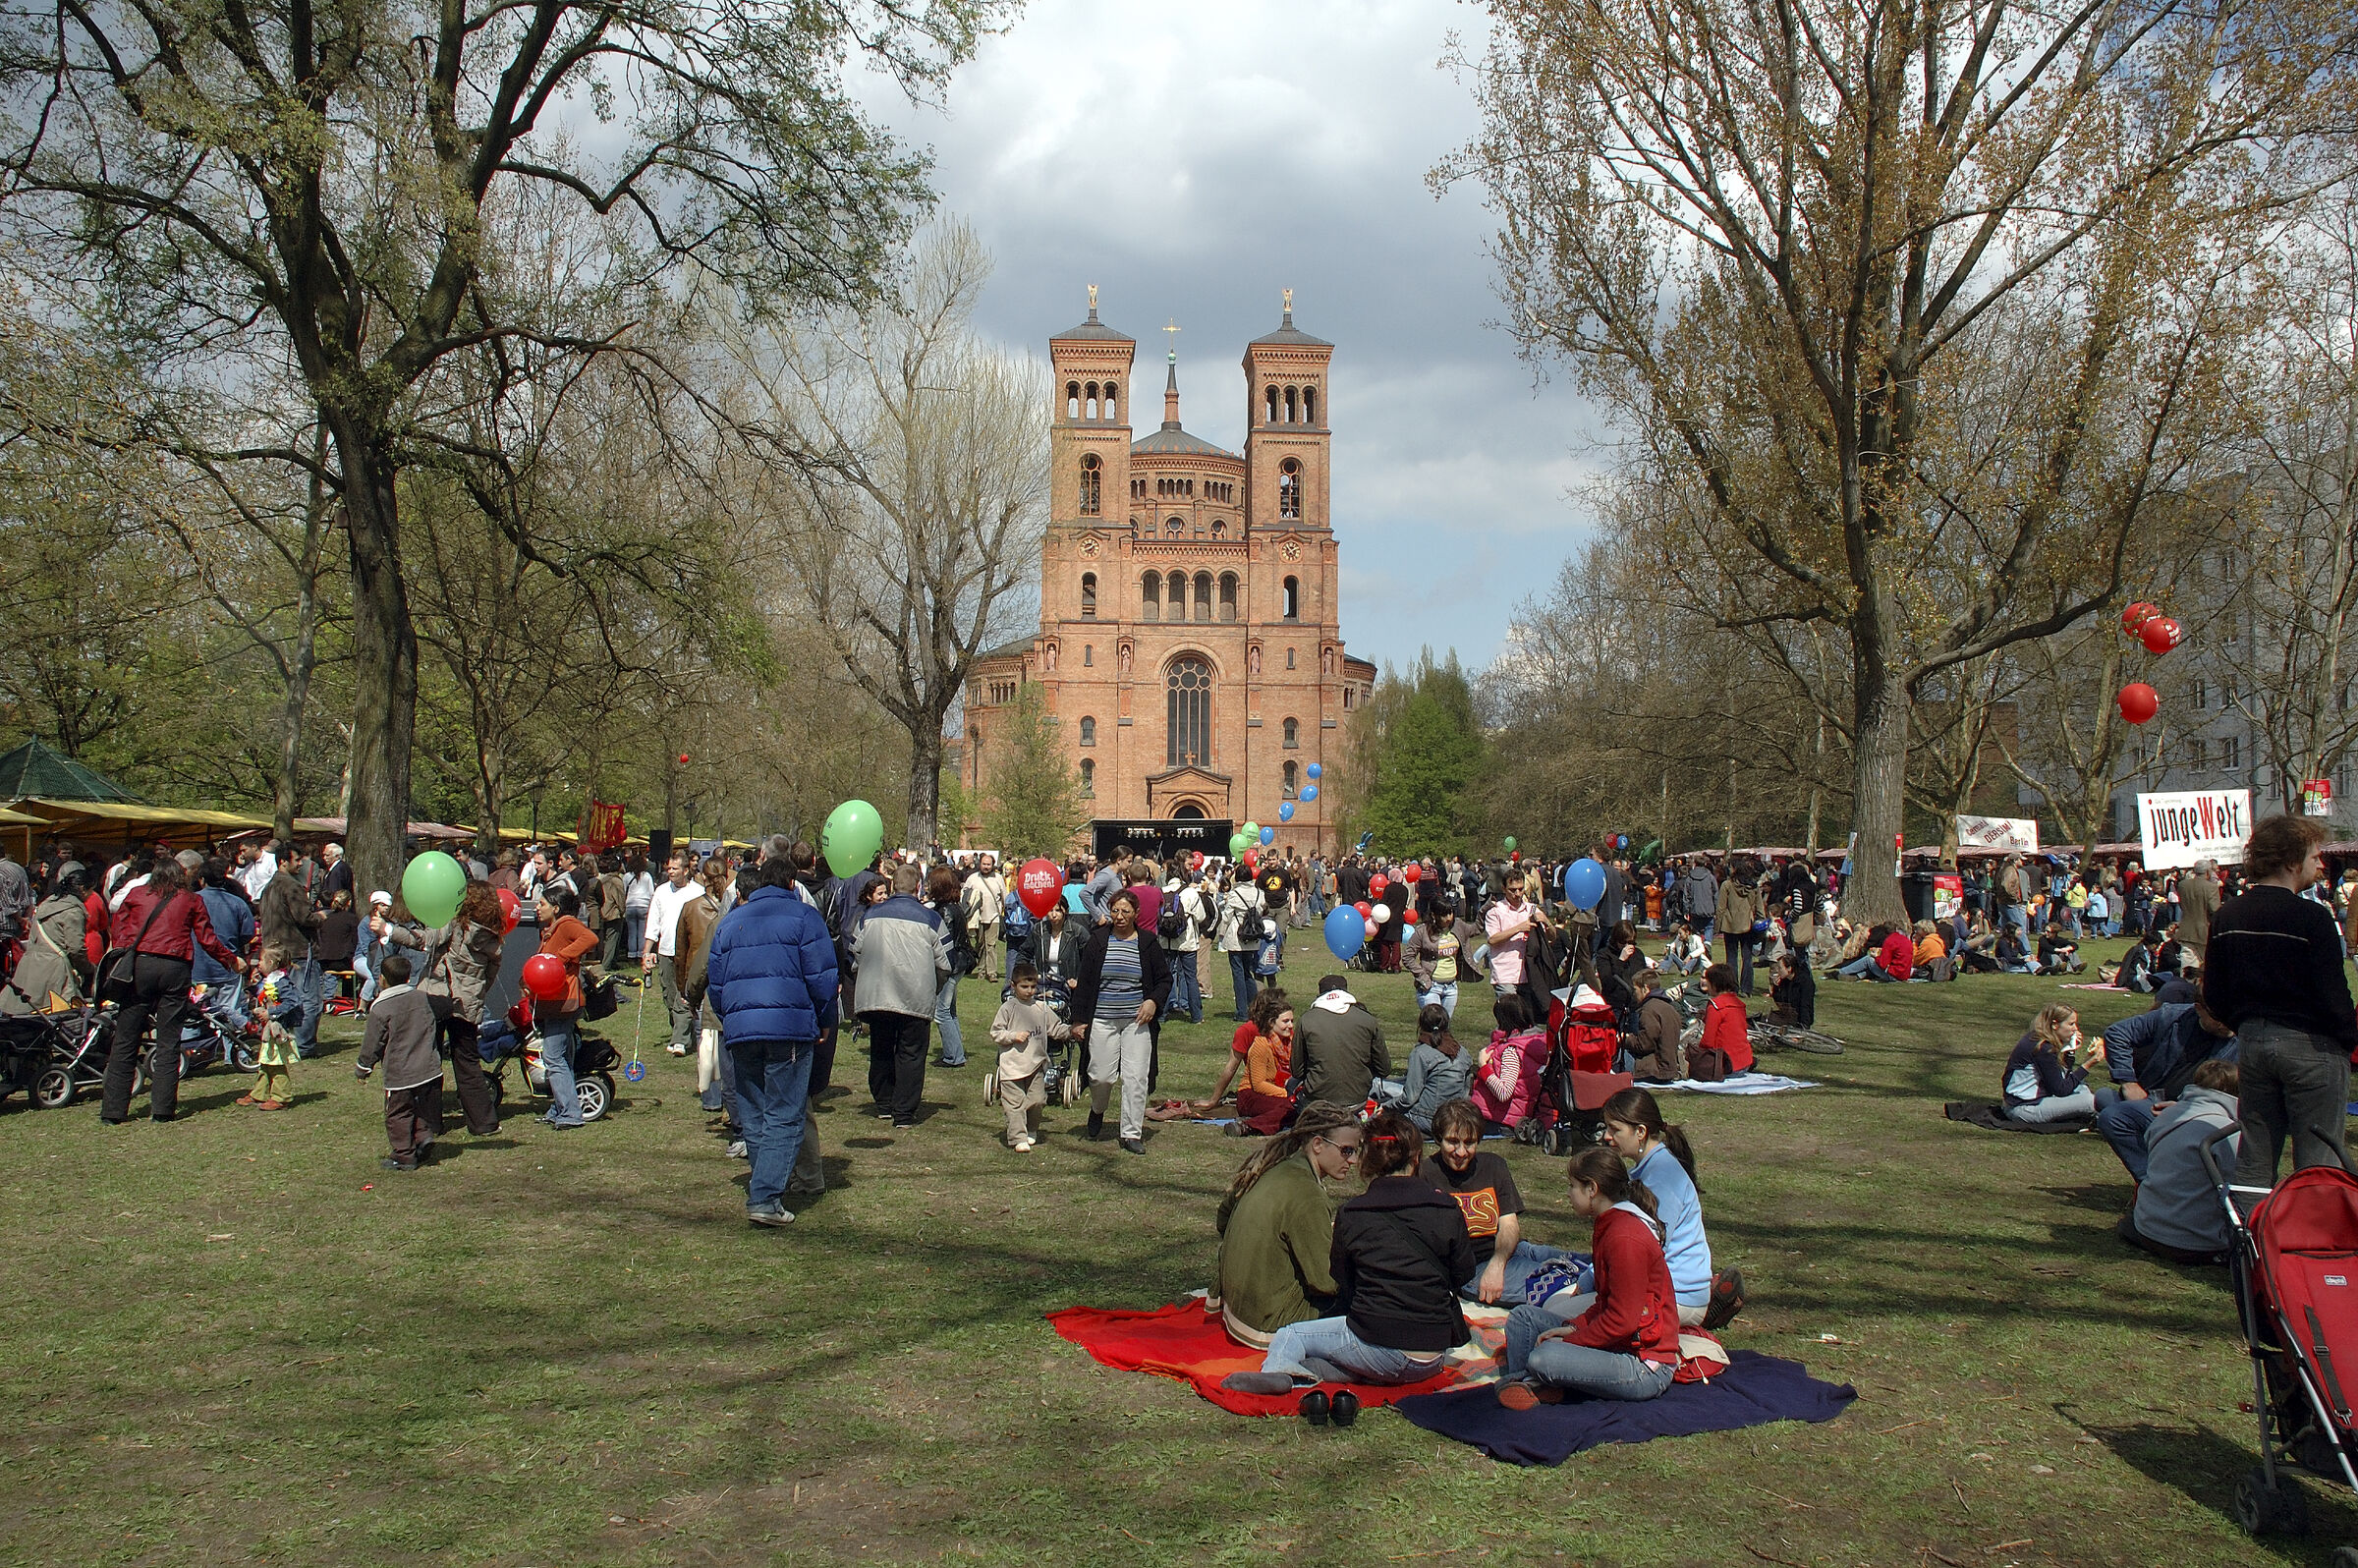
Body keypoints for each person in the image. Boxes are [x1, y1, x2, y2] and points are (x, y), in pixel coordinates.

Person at [1222, 1110, 1477, 1392]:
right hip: (1432, 1355)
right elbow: (1463, 1272)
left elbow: (1339, 1281)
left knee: (1292, 1335)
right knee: (1364, 1351)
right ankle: (1342, 1371)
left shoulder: (1353, 1213)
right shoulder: (1446, 1208)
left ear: (1367, 1162)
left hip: (1378, 1344)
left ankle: (1279, 1371)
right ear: (1416, 1159)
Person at [2207, 814, 2355, 1190]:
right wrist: (2348, 1039)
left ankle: (2251, 1242)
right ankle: (2314, 1243)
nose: (2321, 865)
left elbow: (2213, 994)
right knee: (2319, 1162)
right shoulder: (2312, 918)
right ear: (2291, 862)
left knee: (2255, 1155)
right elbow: (2333, 994)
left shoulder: (2228, 914)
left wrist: (2247, 1026)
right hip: (2313, 1047)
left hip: (2255, 1043)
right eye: (2314, 857)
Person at [704, 854, 840, 1226]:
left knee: (754, 1110)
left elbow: (715, 983)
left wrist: (731, 1016)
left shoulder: (730, 922)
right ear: (792, 884)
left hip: (743, 1028)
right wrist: (825, 1019)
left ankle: (764, 1185)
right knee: (783, 1112)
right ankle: (765, 1195)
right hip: (788, 1027)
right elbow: (824, 978)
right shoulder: (804, 918)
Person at [1496, 1147, 1682, 1410]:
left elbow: (1623, 1320)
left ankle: (1529, 1383)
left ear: (1592, 1189)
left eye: (1573, 1186)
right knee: (1523, 1318)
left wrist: (1571, 1341)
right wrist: (1573, 1326)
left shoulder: (1624, 1238)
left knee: (1544, 1357)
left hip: (1644, 1365)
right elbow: (1604, 1303)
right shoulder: (1608, 1225)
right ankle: (1531, 1385)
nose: (1568, 1193)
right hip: (1619, 1343)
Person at [99, 857, 244, 1125]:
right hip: (175, 968)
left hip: (139, 966)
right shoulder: (190, 900)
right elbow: (207, 939)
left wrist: (126, 949)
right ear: (181, 876)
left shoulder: (137, 894)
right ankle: (163, 1110)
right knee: (168, 1040)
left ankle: (112, 1111)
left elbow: (120, 928)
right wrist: (231, 959)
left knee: (126, 1038)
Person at [1213, 1102, 1359, 1347]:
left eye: (1356, 1150)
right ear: (1318, 1144)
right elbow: (1325, 1282)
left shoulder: (1271, 1165)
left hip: (1234, 1309)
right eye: (1346, 1150)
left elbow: (1223, 1218)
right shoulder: (1308, 1194)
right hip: (1268, 1325)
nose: (1353, 1160)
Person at [1602, 1088, 1743, 1327]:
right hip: (1664, 1290)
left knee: (1571, 1313)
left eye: (1615, 1129)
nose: (1606, 1136)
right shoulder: (1648, 1168)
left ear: (1640, 1132)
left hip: (1678, 1296)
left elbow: (1643, 1246)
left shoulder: (1663, 1178)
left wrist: (1589, 1281)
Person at [381, 879, 505, 1138]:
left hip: (437, 996)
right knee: (467, 1063)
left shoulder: (455, 924)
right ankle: (484, 1123)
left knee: (429, 1061)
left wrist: (390, 931)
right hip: (466, 1005)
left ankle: (430, 1123)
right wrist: (475, 995)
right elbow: (489, 977)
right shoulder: (493, 938)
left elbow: (425, 940)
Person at [1420, 1097, 1564, 1303]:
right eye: (1453, 1141)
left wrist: (1498, 1263)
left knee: (1588, 1266)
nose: (1461, 1152)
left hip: (1508, 1251)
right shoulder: (1425, 1173)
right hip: (1472, 1270)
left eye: (1469, 1143)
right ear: (1438, 1138)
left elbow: (1509, 1223)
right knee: (1561, 1282)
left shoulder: (1494, 1166)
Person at [1066, 888, 1170, 1154]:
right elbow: (1086, 981)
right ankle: (1098, 1109)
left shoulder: (1147, 943)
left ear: (1136, 914)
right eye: (1115, 911)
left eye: (1125, 912)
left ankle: (1131, 1133)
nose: (1120, 916)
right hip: (1102, 1019)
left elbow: (1164, 980)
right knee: (1101, 1076)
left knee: (1136, 1078)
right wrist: (1077, 1021)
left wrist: (1153, 1002)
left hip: (1137, 1022)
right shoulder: (1098, 940)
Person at [851, 863, 953, 1132]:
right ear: (918, 886)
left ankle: (885, 1103)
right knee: (911, 1053)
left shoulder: (869, 916)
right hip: (915, 996)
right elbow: (946, 962)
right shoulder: (931, 919)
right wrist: (935, 986)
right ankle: (904, 1112)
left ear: (893, 886)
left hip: (878, 994)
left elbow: (855, 952)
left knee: (881, 1048)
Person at [2119, 1060, 2242, 1262]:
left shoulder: (2166, 1116)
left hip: (2147, 1230)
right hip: (2197, 1244)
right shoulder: (2228, 1131)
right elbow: (2237, 1190)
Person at [354, 952, 442, 1170]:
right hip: (429, 1067)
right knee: (420, 1106)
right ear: (408, 976)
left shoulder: (381, 1008)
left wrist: (363, 1067)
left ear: (382, 979)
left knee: (398, 1114)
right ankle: (422, 1137)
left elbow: (373, 1043)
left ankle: (403, 1155)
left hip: (400, 1074)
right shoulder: (423, 998)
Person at [532, 887, 599, 1129]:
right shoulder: (551, 930)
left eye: (541, 904)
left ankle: (571, 1113)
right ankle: (559, 1107)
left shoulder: (566, 924)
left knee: (553, 1056)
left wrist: (562, 957)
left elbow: (590, 938)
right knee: (563, 1058)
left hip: (564, 1002)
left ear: (556, 908)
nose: (537, 909)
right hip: (555, 1002)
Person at [988, 962, 1070, 1152]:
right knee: (1014, 1104)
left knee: (1038, 1100)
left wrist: (1073, 1031)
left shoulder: (1042, 1008)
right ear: (1013, 985)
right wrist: (1012, 1036)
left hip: (1036, 1065)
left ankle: (1031, 1129)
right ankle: (1018, 1138)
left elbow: (1056, 1029)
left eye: (1033, 987)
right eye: (1024, 986)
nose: (1030, 991)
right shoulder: (1008, 1008)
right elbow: (996, 1032)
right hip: (1012, 1066)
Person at [1294, 974, 1390, 1113]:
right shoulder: (1367, 1019)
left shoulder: (1306, 1020)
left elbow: (1297, 1071)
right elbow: (1384, 1068)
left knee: (1292, 1087)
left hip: (1318, 1100)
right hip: (1358, 1099)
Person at [642, 852, 700, 1056]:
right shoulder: (661, 891)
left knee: (683, 997)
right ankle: (684, 1032)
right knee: (669, 996)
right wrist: (647, 951)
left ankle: (680, 1041)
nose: (671, 872)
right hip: (665, 951)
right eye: (669, 869)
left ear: (686, 870)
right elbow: (653, 923)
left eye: (675, 869)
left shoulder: (697, 892)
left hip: (688, 952)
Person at [2002, 1003, 2096, 1124]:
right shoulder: (2042, 1048)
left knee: (2081, 1087)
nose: (2075, 1029)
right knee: (2090, 1101)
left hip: (2037, 1099)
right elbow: (2060, 1090)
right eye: (2071, 1024)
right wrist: (2088, 1065)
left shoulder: (2039, 1040)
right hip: (2023, 1108)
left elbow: (2062, 1079)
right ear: (2055, 1025)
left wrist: (2070, 1052)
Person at [1389, 1003, 1473, 1134]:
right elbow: (1466, 1091)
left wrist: (1387, 1106)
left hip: (1427, 1118)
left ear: (1421, 1025)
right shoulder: (1463, 1053)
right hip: (1455, 1117)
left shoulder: (1420, 1053)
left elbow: (1409, 1098)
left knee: (1383, 1115)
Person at [1229, 989, 1297, 1137]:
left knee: (1303, 1107)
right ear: (1272, 1022)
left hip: (1280, 1093)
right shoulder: (1261, 1044)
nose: (1290, 1026)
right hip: (1250, 1095)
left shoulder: (1292, 1042)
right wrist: (1288, 1094)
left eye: (1292, 1021)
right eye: (1285, 1021)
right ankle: (1248, 1127)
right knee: (1292, 1107)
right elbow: (1259, 1085)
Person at [1470, 993, 1544, 1129]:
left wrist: (1483, 1066)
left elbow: (1504, 1092)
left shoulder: (1511, 1051)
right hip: (1519, 1114)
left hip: (1504, 1120)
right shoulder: (1535, 1041)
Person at [925, 866, 973, 1069]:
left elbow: (945, 944)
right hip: (959, 964)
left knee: (941, 1012)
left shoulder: (945, 911)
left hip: (952, 967)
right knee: (949, 1011)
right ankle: (955, 1052)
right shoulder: (954, 907)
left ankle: (953, 1056)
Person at [1219, 869, 1269, 1023]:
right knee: (1248, 973)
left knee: (1238, 974)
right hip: (1252, 935)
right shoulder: (1259, 893)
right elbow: (1261, 910)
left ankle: (1241, 1011)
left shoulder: (1235, 894)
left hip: (1237, 935)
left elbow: (1227, 915)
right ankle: (1254, 1009)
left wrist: (1221, 932)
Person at [1406, 900, 1471, 1018]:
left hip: (1451, 987)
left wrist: (1487, 907)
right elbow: (1407, 957)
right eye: (1444, 915)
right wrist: (1422, 977)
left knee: (1444, 1028)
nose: (1449, 918)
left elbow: (1476, 928)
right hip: (1431, 987)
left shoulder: (1457, 927)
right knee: (1433, 1026)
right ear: (1434, 915)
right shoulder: (1422, 931)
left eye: (1450, 913)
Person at [1161, 868, 1209, 1025]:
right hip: (1187, 940)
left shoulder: (1161, 892)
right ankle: (1196, 1015)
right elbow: (1201, 916)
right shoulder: (1190, 893)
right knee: (1190, 977)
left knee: (1166, 977)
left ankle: (1162, 1013)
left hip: (1166, 940)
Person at [1485, 874, 1538, 1002]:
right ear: (1504, 889)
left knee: (1527, 1018)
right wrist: (1519, 928)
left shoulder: (1532, 909)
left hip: (1529, 974)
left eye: (1520, 889)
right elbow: (1492, 939)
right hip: (1505, 975)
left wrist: (1547, 922)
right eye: (1513, 890)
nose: (1518, 893)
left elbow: (1552, 936)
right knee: (1511, 1018)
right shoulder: (1495, 912)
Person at [1624, 976, 1685, 1083]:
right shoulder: (1669, 1007)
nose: (1634, 994)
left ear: (1645, 989)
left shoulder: (1649, 1010)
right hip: (1669, 1067)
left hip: (1656, 1070)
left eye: (1635, 990)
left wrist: (1626, 1039)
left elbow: (1644, 1045)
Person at [1697, 963, 1755, 1075]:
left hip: (1725, 1064)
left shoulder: (1716, 1006)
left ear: (1714, 984)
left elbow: (1707, 1041)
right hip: (1745, 1061)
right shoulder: (1738, 1004)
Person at [1714, 861, 1762, 994]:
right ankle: (1747, 989)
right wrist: (1761, 921)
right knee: (1747, 958)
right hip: (1748, 924)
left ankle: (1733, 988)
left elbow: (1721, 908)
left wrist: (1717, 927)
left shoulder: (1727, 885)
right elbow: (1759, 907)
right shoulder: (1753, 886)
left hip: (1730, 925)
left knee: (1731, 958)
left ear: (1735, 869)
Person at [961, 854, 1006, 983]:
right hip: (977, 918)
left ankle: (992, 972)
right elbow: (965, 896)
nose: (986, 867)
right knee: (980, 944)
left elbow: (1005, 898)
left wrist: (1003, 912)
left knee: (991, 945)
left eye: (988, 864)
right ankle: (981, 970)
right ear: (979, 864)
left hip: (993, 917)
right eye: (984, 864)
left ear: (992, 865)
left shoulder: (998, 878)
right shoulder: (972, 878)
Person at [2178, 858, 2220, 960]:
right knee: (2204, 967)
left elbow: (2182, 905)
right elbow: (2215, 909)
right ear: (2207, 872)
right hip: (2204, 932)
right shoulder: (2211, 887)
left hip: (2185, 931)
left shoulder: (2182, 885)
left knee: (2187, 968)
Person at [1768, 951, 1815, 1029]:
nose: (1778, 971)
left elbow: (1805, 1005)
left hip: (1799, 1019)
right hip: (1787, 1016)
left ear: (1789, 968)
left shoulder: (1804, 982)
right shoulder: (1785, 981)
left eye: (1780, 968)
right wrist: (1776, 988)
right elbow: (1780, 1002)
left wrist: (1803, 1026)